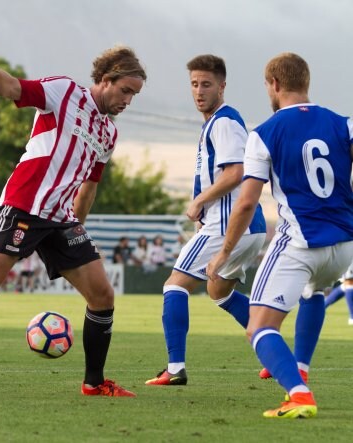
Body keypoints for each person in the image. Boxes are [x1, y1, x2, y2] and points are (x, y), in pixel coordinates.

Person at [0, 46, 147, 398]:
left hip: (61, 218)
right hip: (23, 206)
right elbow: (14, 89)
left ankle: (94, 383)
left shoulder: (108, 133)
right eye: (126, 91)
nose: (128, 101)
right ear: (106, 80)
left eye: (134, 95)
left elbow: (90, 186)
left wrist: (78, 228)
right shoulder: (64, 92)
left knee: (103, 295)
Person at [207, 52, 353, 419]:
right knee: (314, 291)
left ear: (273, 84)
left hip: (300, 242)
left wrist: (223, 254)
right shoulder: (345, 124)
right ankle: (299, 366)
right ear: (306, 81)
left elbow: (245, 203)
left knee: (258, 327)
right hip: (343, 245)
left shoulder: (265, 133)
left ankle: (298, 393)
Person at [145, 55, 266, 387]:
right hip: (248, 229)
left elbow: (237, 172)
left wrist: (200, 200)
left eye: (207, 84)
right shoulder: (214, 122)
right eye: (195, 84)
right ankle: (273, 353)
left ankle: (174, 369)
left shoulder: (224, 121)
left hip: (228, 226)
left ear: (222, 86)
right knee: (219, 291)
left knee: (174, 284)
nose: (199, 91)